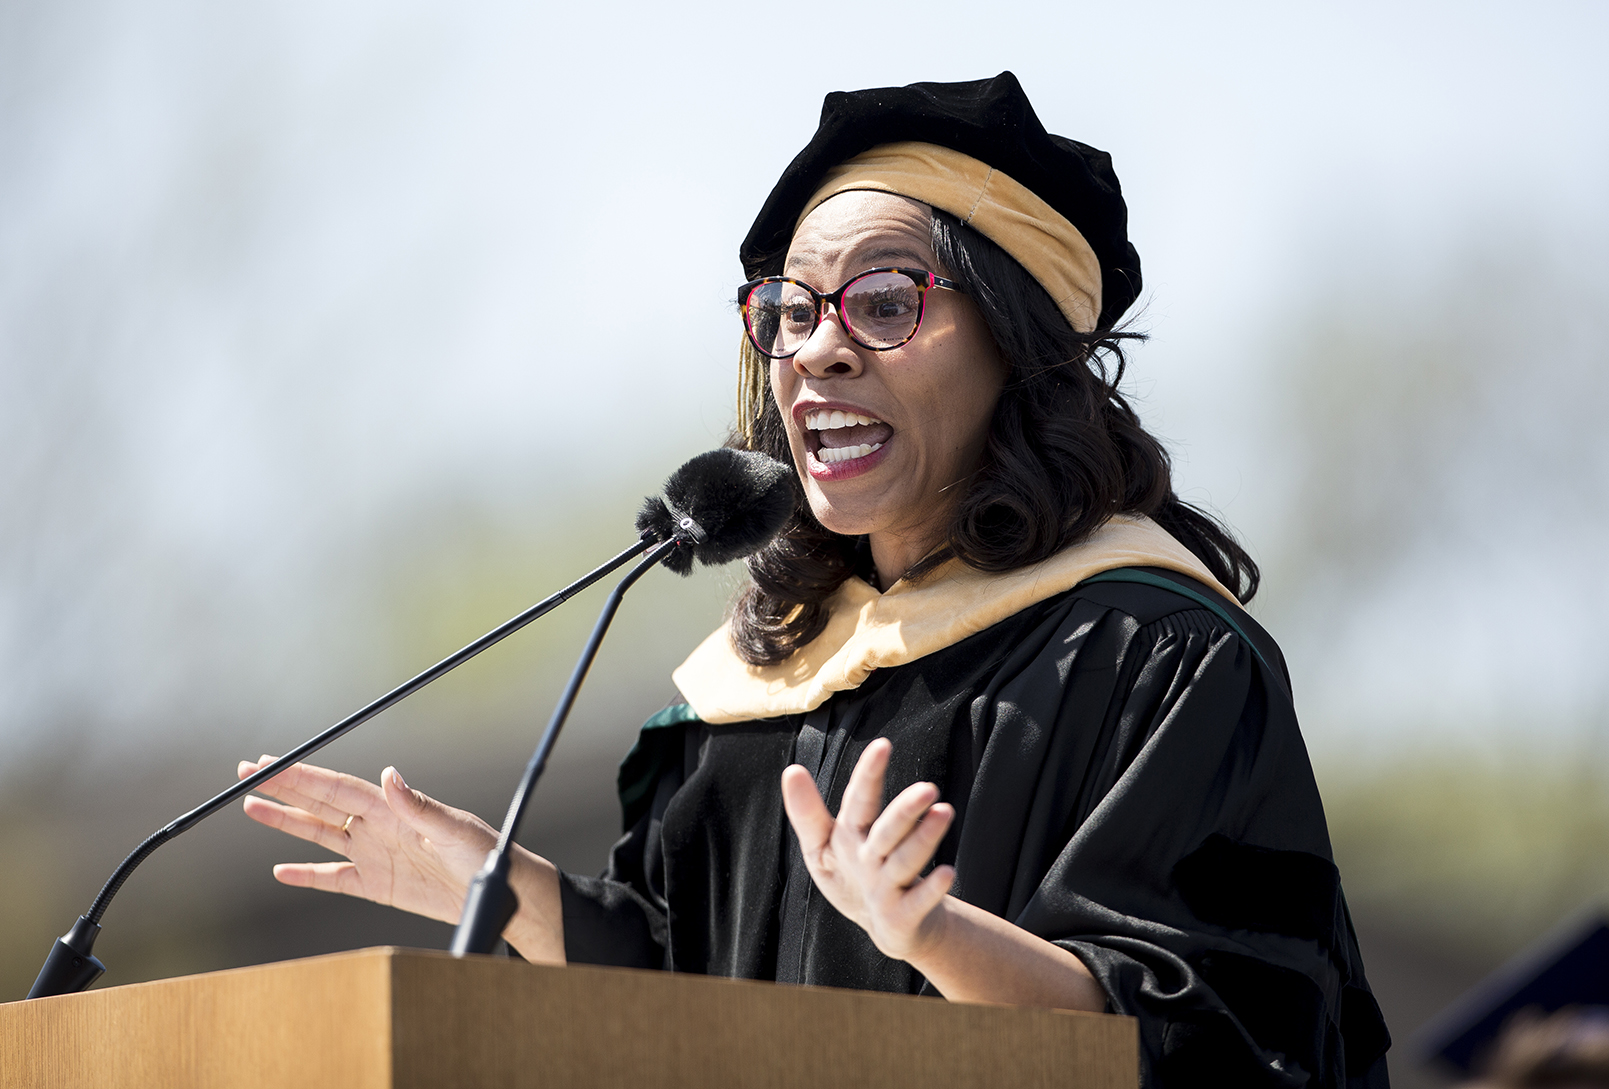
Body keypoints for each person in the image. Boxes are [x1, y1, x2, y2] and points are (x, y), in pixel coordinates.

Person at [238, 73, 1391, 1087]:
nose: (816, 349)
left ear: (1017, 348)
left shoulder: (1155, 656)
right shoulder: (757, 691)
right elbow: (685, 991)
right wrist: (513, 894)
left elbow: (1221, 1038)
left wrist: (932, 936)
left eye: (885, 304)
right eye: (787, 314)